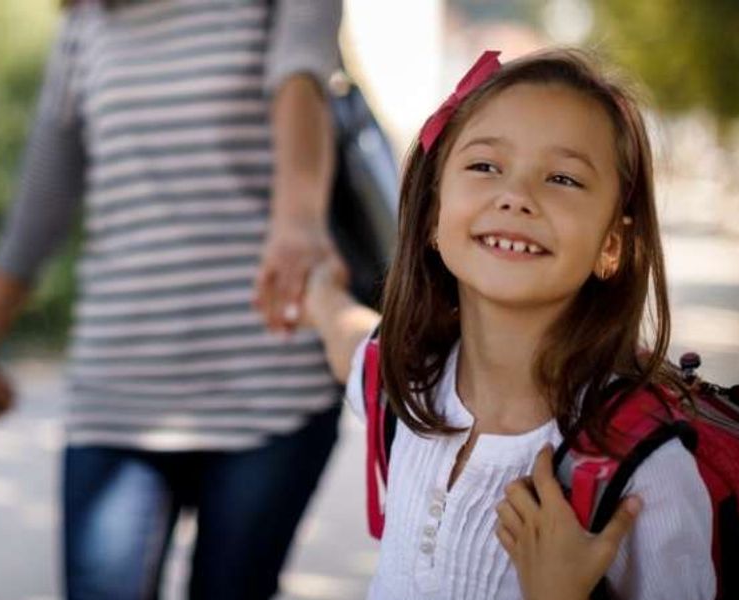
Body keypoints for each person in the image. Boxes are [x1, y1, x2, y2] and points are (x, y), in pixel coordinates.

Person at [0, 0, 344, 597]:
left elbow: (301, 75)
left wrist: (297, 219)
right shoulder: (87, 25)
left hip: (270, 386)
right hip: (119, 390)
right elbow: (40, 203)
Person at [304, 49, 715, 599]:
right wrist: (316, 288)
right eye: (485, 166)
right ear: (432, 215)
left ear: (612, 245)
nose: (516, 197)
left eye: (564, 178)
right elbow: (348, 336)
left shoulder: (644, 474)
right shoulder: (406, 383)